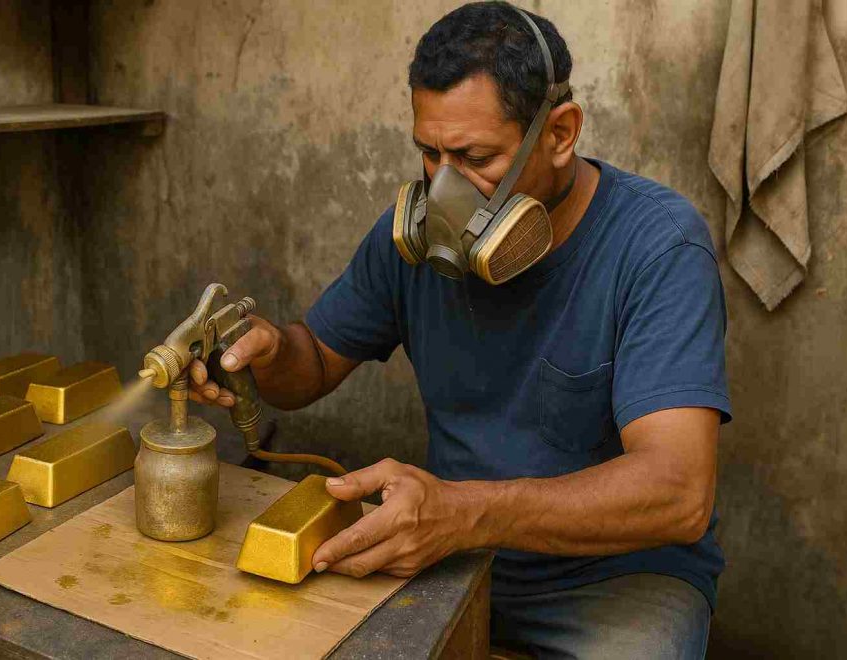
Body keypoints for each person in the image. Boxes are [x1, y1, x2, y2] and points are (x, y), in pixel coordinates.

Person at [190, 2, 729, 657]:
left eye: (474, 158)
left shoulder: (657, 247)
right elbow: (312, 365)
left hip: (615, 580)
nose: (445, 189)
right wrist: (270, 354)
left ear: (560, 134)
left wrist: (465, 511)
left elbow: (677, 493)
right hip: (451, 552)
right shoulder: (412, 242)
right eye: (429, 153)